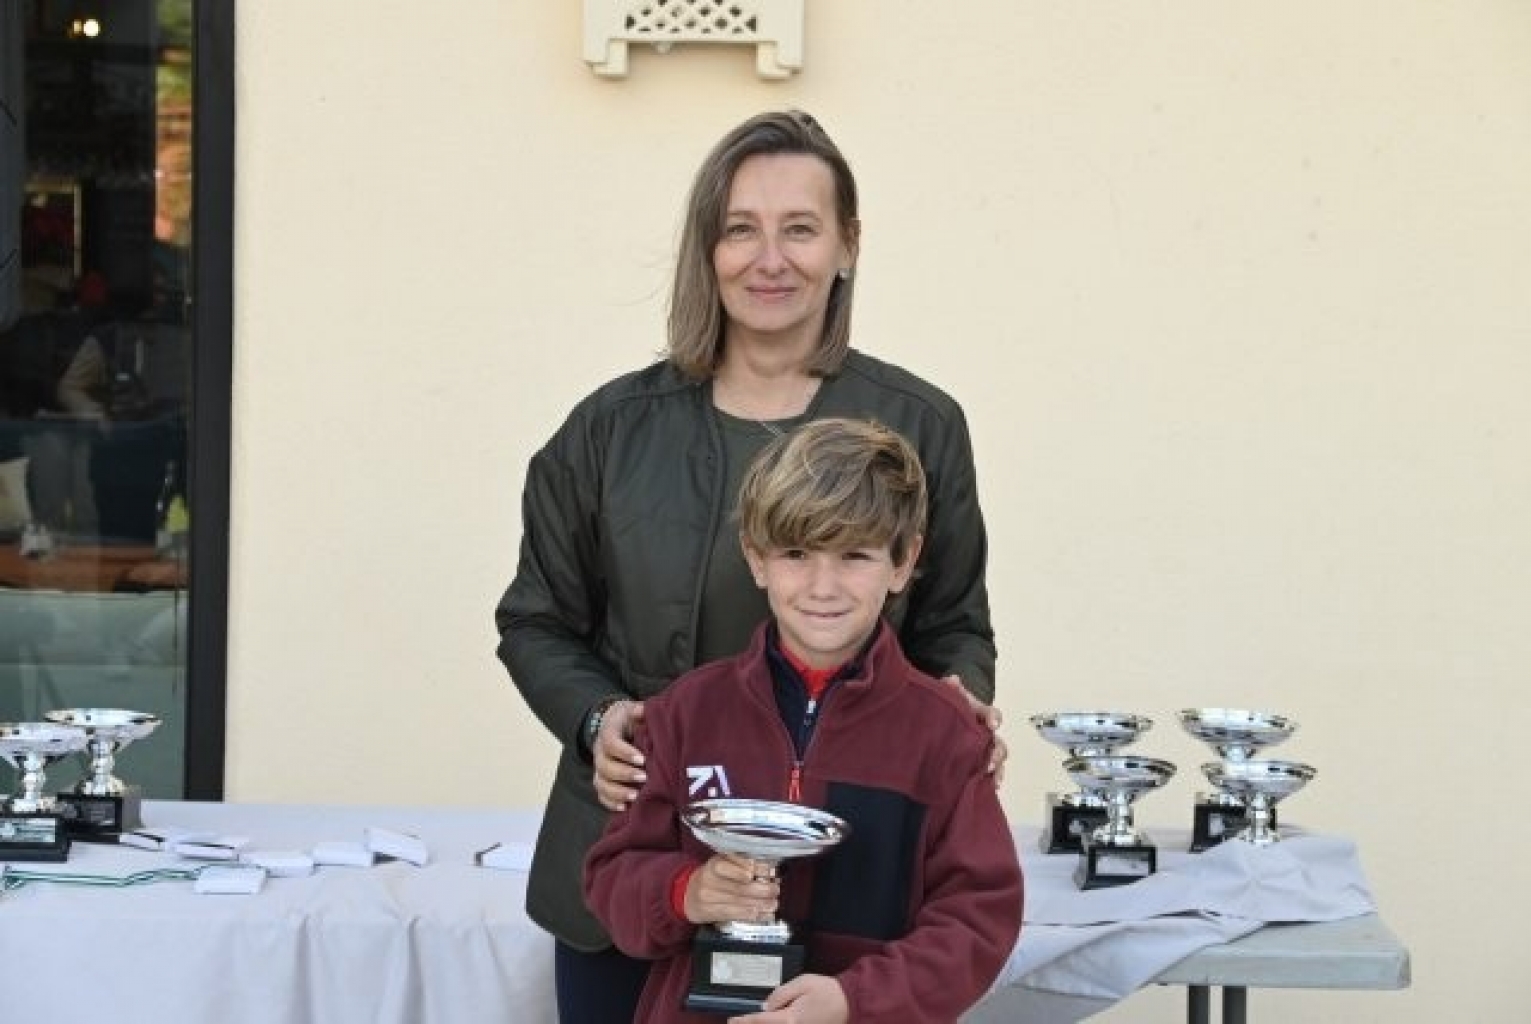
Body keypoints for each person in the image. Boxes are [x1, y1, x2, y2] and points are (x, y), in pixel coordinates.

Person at [494, 108, 1003, 1022]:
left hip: (846, 892)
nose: (770, 259)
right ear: (708, 248)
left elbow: (954, 624)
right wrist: (596, 719)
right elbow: (536, 620)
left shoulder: (921, 427)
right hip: (635, 869)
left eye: (799, 228)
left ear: (847, 245)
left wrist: (958, 703)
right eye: (741, 230)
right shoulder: (607, 432)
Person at [583, 417, 1024, 1023]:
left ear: (903, 562)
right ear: (756, 559)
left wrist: (853, 1000)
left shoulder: (945, 733)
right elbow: (612, 878)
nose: (823, 587)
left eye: (854, 556)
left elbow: (978, 918)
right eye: (796, 554)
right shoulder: (685, 711)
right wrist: (689, 892)